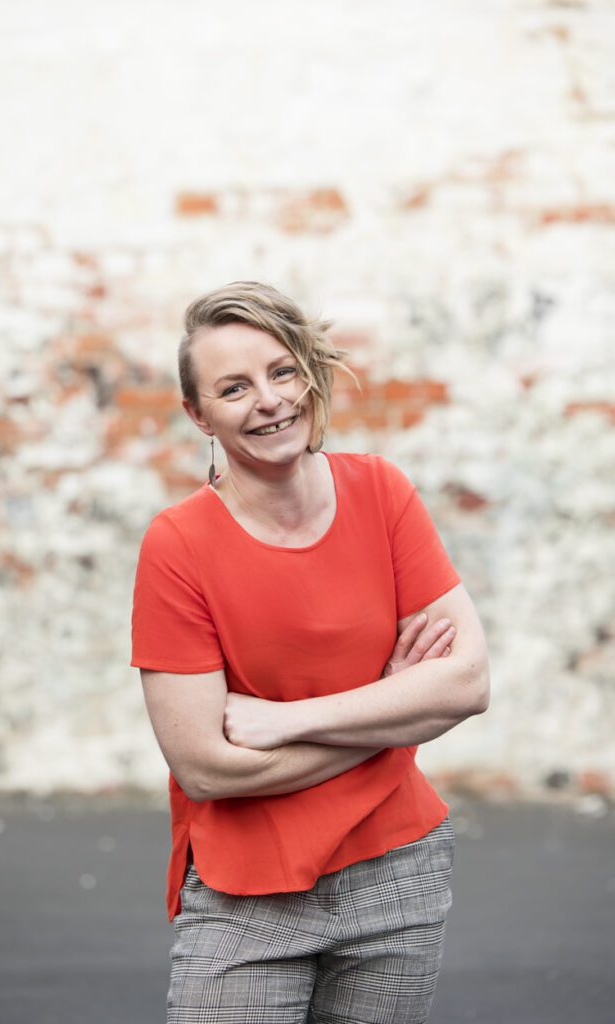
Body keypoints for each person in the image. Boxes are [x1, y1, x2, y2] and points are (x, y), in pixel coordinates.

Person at [130, 280, 490, 1024]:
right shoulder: (179, 545)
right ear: (199, 415)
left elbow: (467, 682)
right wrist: (393, 713)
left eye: (281, 371)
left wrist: (286, 720)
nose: (269, 400)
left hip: (398, 870)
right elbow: (205, 766)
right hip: (244, 894)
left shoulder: (381, 492)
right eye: (233, 388)